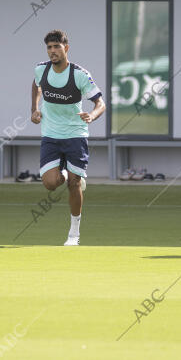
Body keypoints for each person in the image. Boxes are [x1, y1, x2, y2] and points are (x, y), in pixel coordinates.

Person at [30, 30, 105, 246]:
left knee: (73, 184)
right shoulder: (41, 70)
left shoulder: (80, 74)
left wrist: (91, 115)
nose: (53, 51)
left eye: (57, 47)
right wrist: (34, 109)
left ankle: (74, 234)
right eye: (49, 48)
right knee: (50, 184)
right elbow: (36, 84)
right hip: (51, 135)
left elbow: (101, 103)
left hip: (75, 135)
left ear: (66, 48)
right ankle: (66, 171)